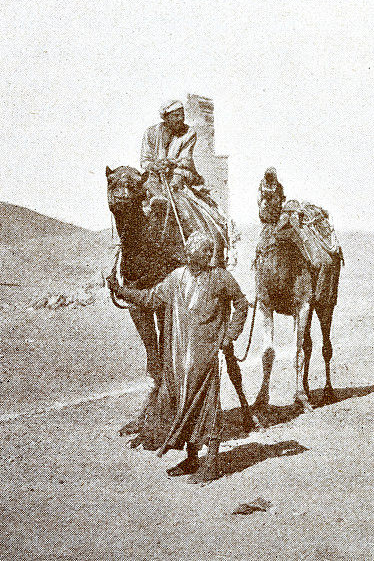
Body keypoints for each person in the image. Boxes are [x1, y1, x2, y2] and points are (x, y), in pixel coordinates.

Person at [107, 231, 249, 483]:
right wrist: (121, 290)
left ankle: (213, 462)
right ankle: (193, 458)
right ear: (191, 252)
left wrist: (229, 335)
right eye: (205, 250)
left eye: (210, 251)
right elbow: (149, 299)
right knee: (183, 406)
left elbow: (241, 303)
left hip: (205, 358)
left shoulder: (220, 278)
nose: (210, 255)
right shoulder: (175, 278)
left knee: (209, 407)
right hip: (178, 359)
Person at [140, 99, 229, 267]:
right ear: (165, 118)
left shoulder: (189, 133)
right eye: (176, 116)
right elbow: (145, 160)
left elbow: (185, 161)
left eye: (182, 115)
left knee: (182, 200)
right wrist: (155, 165)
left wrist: (170, 165)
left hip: (179, 174)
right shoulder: (150, 133)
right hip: (155, 177)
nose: (181, 119)